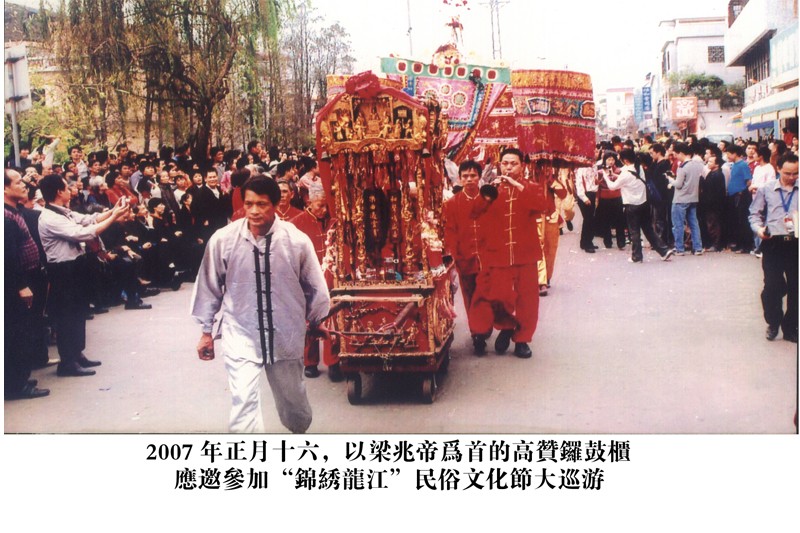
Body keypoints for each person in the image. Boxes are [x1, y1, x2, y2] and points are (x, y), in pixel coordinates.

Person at [191, 175, 331, 433]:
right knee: (243, 401)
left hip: (286, 333)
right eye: (249, 204)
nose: (254, 211)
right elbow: (208, 286)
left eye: (262, 204)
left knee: (294, 404)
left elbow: (315, 285)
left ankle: (298, 434)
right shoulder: (223, 240)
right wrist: (206, 332)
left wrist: (316, 320)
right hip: (240, 332)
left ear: (276, 205)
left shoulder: (296, 241)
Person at [38, 174, 130, 377]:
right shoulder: (50, 218)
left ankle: (77, 354)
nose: (70, 191)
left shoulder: (63, 212)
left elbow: (89, 219)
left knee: (79, 312)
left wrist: (114, 210)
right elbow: (83, 233)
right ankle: (67, 362)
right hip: (63, 270)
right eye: (66, 187)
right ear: (59, 192)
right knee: (67, 316)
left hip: (75, 266)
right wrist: (114, 217)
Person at [468, 148, 547, 358]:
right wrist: (486, 195)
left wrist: (517, 185)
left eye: (513, 163)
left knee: (528, 299)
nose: (509, 167)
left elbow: (542, 206)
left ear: (522, 166)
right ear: (499, 165)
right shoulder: (492, 189)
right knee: (499, 296)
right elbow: (474, 213)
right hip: (498, 253)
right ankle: (507, 326)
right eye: (505, 163)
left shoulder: (531, 187)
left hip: (525, 252)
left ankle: (522, 339)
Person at [5, 169, 51, 399]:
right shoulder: (5, 218)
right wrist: (21, 285)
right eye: (17, 182)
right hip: (15, 286)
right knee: (16, 334)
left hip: (26, 278)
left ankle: (18, 378)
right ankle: (16, 385)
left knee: (23, 331)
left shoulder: (15, 211)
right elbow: (8, 257)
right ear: (4, 188)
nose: (24, 184)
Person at [288, 187, 340, 381]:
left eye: (327, 206)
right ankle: (310, 362)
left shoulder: (334, 221)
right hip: (307, 277)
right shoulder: (296, 224)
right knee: (310, 320)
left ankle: (333, 361)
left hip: (331, 276)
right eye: (320, 206)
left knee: (332, 318)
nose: (324, 210)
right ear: (309, 202)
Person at [748, 153, 798, 343]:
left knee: (796, 287)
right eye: (788, 173)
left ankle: (791, 326)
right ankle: (773, 321)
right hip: (773, 243)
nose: (792, 177)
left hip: (795, 243)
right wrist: (759, 229)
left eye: (796, 173)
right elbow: (754, 214)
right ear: (778, 169)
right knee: (772, 286)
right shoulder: (766, 189)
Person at [601, 149, 674, 263]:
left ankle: (637, 256)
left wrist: (605, 176)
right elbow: (629, 177)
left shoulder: (626, 173)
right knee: (648, 229)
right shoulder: (639, 168)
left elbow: (613, 186)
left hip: (632, 205)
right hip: (644, 203)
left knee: (634, 231)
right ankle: (664, 251)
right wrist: (614, 174)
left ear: (625, 160)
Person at [443, 160, 485, 352]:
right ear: (459, 178)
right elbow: (450, 232)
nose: (469, 179)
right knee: (470, 296)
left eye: (473, 175)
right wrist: (453, 255)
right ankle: (477, 333)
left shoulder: (488, 200)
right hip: (465, 259)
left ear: (479, 177)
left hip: (488, 258)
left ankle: (484, 326)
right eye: (465, 176)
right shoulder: (452, 204)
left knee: (486, 296)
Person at [666, 143, 703, 255]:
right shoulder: (698, 165)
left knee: (678, 225)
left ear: (681, 153)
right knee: (694, 224)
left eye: (676, 154)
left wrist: (670, 179)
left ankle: (679, 248)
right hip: (693, 198)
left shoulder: (682, 167)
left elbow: (678, 184)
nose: (676, 157)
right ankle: (698, 248)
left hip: (680, 199)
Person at [574, 165, 599, 253]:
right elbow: (579, 184)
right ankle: (587, 244)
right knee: (588, 220)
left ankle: (585, 242)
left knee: (590, 220)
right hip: (585, 195)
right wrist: (584, 198)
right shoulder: (580, 169)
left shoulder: (595, 167)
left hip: (593, 194)